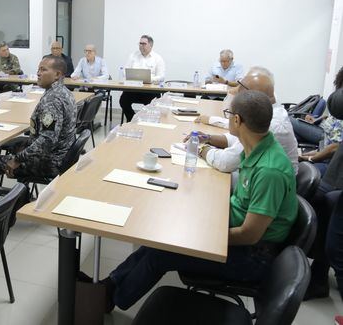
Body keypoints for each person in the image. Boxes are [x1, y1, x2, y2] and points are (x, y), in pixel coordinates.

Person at [101, 90, 298, 312]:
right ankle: (108, 287)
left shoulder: (270, 170)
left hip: (254, 257)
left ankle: (107, 299)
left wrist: (203, 239)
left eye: (229, 113)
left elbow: (250, 234)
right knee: (160, 237)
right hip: (237, 233)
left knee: (162, 253)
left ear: (237, 120)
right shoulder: (255, 147)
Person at [0, 56, 76, 186]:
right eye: (38, 70)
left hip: (50, 162)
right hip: (62, 155)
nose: (38, 73)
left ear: (57, 74)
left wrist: (17, 159)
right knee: (9, 145)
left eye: (43, 70)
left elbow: (47, 140)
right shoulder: (64, 92)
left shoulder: (52, 99)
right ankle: (20, 197)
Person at [193, 67, 298, 174]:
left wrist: (202, 149)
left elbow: (226, 162)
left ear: (252, 95)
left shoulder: (270, 123)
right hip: (256, 173)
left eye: (241, 87)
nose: (238, 90)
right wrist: (208, 138)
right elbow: (238, 137)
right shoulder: (266, 108)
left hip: (266, 182)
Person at [304, 87, 343, 300]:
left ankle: (318, 277)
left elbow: (336, 103)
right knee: (323, 203)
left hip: (336, 175)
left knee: (336, 247)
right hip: (336, 175)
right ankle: (318, 277)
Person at [119, 35, 165, 122]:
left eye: (144, 43)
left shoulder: (158, 58)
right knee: (123, 101)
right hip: (134, 89)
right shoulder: (133, 56)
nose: (141, 45)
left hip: (150, 91)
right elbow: (125, 71)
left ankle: (146, 123)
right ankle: (132, 120)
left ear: (150, 45)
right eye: (140, 43)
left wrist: (148, 78)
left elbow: (161, 77)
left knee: (152, 105)